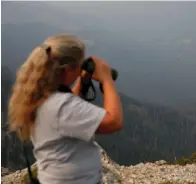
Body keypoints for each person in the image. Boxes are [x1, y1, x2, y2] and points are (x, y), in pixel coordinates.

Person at [8, 34, 123, 184]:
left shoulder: (42, 96)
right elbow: (114, 122)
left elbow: (66, 113)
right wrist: (106, 78)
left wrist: (82, 82)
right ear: (69, 69)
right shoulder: (60, 105)